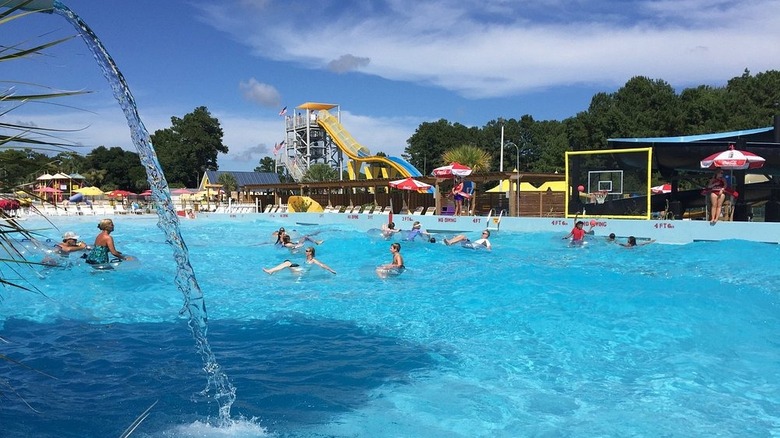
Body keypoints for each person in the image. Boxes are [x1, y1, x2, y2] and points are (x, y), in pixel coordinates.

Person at [263, 246, 336, 275]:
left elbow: (322, 265)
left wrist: (331, 270)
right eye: (306, 251)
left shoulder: (313, 260)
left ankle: (271, 271)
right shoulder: (307, 258)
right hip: (300, 269)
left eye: (307, 251)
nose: (305, 252)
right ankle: (272, 271)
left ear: (310, 252)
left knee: (287, 263)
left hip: (301, 272)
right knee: (287, 261)